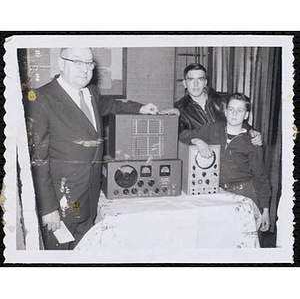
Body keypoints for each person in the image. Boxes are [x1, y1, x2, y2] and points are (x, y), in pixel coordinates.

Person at [24, 47, 159, 250]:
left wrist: (139, 107)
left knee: (84, 252)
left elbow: (112, 105)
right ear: (61, 63)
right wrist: (47, 209)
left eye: (89, 64)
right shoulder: (40, 99)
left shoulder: (91, 93)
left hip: (90, 198)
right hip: (61, 204)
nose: (84, 69)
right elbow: (37, 160)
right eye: (77, 62)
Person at [179, 93, 271, 239]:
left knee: (246, 240)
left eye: (240, 111)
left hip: (245, 195)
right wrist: (198, 140)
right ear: (226, 111)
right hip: (219, 194)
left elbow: (261, 178)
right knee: (222, 238)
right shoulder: (213, 129)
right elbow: (184, 134)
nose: (234, 113)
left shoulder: (252, 142)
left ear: (246, 115)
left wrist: (265, 210)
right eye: (231, 109)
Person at [174, 63, 262, 146]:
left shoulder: (224, 99)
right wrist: (197, 141)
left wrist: (252, 132)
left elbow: (241, 121)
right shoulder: (180, 107)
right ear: (185, 83)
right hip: (205, 155)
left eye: (200, 79)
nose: (196, 84)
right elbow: (181, 133)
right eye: (191, 79)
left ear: (205, 82)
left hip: (231, 151)